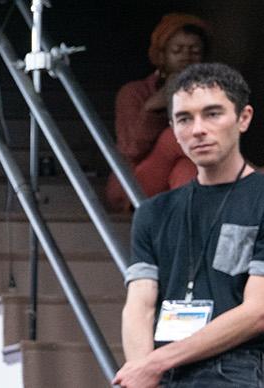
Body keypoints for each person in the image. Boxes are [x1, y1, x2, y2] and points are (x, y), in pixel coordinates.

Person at [116, 63, 263, 387]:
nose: (198, 129)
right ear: (172, 128)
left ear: (244, 118)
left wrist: (155, 363)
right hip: (164, 370)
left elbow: (258, 311)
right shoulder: (153, 212)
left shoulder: (260, 197)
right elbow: (140, 304)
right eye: (184, 118)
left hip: (238, 366)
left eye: (212, 114)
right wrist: (143, 371)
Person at [107, 13, 209, 211]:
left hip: (178, 185)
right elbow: (130, 149)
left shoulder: (212, 93)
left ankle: (184, 230)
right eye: (177, 50)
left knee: (186, 169)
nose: (187, 56)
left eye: (195, 51)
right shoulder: (134, 92)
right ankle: (241, 170)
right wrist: (153, 107)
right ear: (161, 55)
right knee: (174, 136)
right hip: (135, 185)